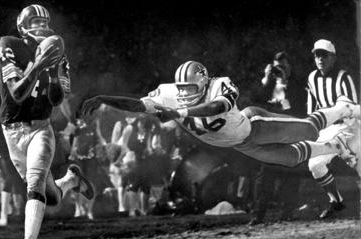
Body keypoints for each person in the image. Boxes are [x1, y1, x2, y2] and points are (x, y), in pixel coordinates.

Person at [82, 61, 359, 172]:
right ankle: (336, 147)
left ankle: (343, 107)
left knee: (309, 129)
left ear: (203, 80)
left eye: (192, 87)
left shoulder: (220, 83)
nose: (186, 92)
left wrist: (180, 112)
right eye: (183, 89)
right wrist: (103, 99)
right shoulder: (168, 93)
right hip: (239, 144)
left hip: (253, 126)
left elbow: (217, 108)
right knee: (290, 159)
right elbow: (138, 106)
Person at [0, 4, 93, 239]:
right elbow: (16, 93)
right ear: (23, 27)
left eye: (43, 23)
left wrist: (53, 74)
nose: (40, 28)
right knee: (51, 197)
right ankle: (71, 180)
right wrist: (39, 65)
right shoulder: (9, 44)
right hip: (13, 130)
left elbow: (57, 98)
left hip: (41, 127)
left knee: (35, 184)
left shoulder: (57, 52)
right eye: (34, 23)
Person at [249, 51, 307, 224]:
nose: (280, 69)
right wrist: (266, 79)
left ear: (290, 67)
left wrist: (283, 84)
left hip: (290, 134)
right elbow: (254, 100)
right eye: (277, 66)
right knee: (265, 176)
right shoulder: (269, 84)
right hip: (271, 137)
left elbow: (298, 111)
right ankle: (258, 215)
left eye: (283, 66)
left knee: (290, 175)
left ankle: (287, 212)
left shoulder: (297, 86)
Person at [306, 39, 359, 219]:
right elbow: (312, 108)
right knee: (315, 164)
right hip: (327, 130)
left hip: (347, 127)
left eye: (324, 55)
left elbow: (351, 108)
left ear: (333, 57)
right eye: (317, 55)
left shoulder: (344, 77)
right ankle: (336, 200)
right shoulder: (312, 77)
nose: (320, 59)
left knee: (359, 165)